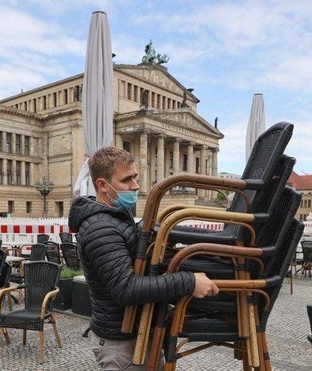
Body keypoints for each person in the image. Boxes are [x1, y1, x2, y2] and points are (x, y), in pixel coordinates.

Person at [68, 146, 218, 370]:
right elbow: (126, 289)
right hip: (121, 344)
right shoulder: (100, 227)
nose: (135, 186)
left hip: (133, 335)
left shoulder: (116, 218)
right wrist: (190, 281)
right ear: (102, 185)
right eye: (126, 180)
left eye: (135, 177)